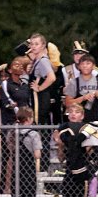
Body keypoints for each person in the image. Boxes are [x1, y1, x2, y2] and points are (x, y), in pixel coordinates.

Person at [0, 56, 33, 195]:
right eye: (16, 65)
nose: (19, 66)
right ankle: (8, 188)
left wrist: (28, 119)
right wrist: (21, 115)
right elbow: (9, 103)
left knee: (27, 155)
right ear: (10, 70)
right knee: (12, 156)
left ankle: (26, 186)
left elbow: (27, 103)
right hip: (12, 124)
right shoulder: (6, 84)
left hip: (26, 124)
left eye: (21, 65)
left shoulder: (25, 85)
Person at [58, 104, 93, 197]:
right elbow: (61, 156)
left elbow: (89, 150)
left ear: (82, 115)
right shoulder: (64, 130)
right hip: (68, 172)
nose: (73, 114)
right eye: (70, 111)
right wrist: (61, 146)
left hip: (81, 173)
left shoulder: (88, 128)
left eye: (77, 112)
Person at [13, 106, 42, 197]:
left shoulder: (13, 132)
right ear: (29, 118)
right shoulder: (33, 134)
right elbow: (37, 154)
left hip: (16, 171)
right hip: (28, 172)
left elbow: (10, 149)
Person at [27, 33, 56, 168]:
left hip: (40, 103)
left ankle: (42, 167)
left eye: (36, 44)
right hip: (35, 102)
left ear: (43, 45)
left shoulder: (43, 61)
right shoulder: (36, 60)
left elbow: (52, 77)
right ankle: (39, 166)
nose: (33, 47)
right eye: (32, 44)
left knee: (41, 134)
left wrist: (39, 88)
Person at [63, 52, 98, 122]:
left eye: (88, 63)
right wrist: (83, 98)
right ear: (79, 66)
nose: (85, 66)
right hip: (80, 122)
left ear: (93, 66)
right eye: (82, 64)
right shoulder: (74, 82)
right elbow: (67, 103)